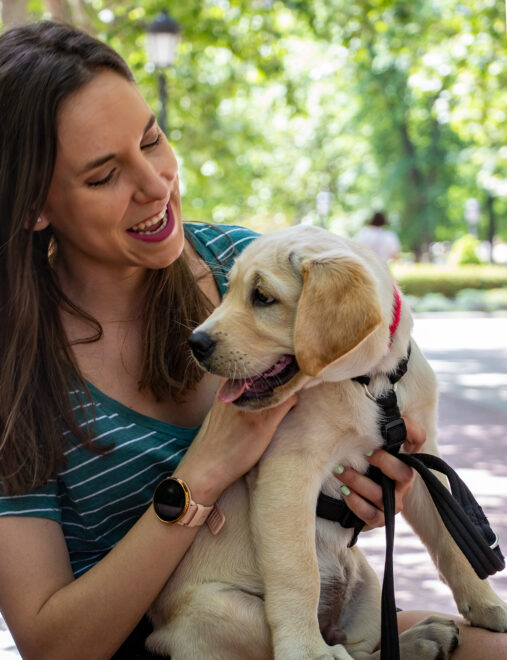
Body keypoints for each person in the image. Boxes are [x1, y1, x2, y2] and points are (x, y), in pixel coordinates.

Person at [0, 21, 504, 660]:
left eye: (151, 139)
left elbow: (373, 380)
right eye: (103, 176)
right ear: (31, 208)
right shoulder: (16, 371)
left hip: (315, 606)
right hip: (183, 635)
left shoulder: (247, 261)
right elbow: (52, 645)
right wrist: (204, 471)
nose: (157, 185)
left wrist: (374, 488)